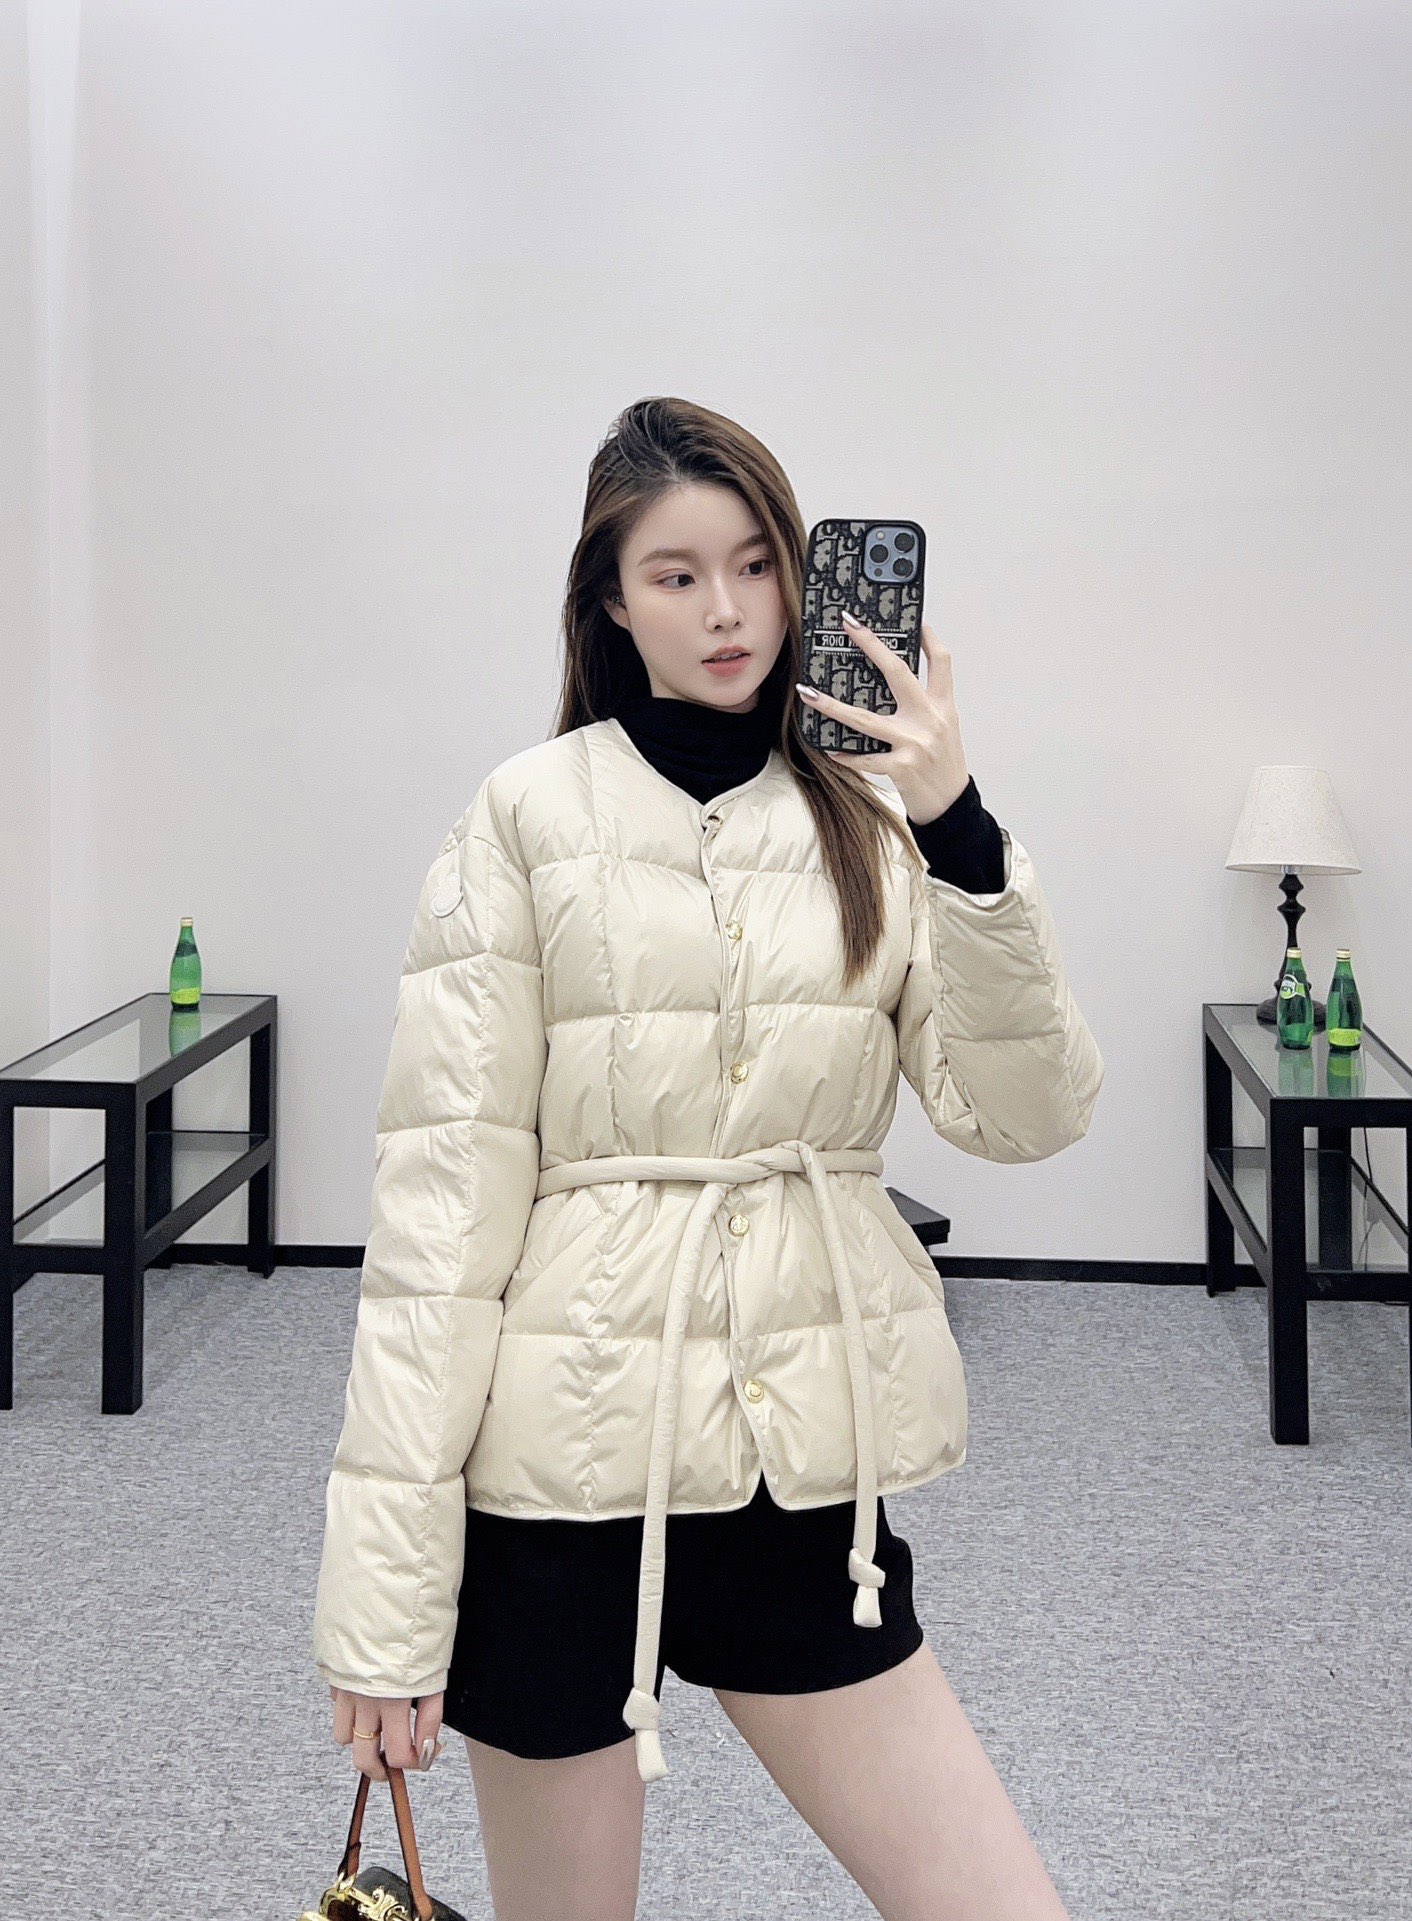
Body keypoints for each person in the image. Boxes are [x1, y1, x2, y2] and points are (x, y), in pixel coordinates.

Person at [313, 396, 1104, 1921]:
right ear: (612, 599)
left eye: (755, 564)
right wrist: (384, 1605)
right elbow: (436, 1233)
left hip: (794, 1462)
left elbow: (1027, 1111)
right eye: (676, 574)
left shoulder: (876, 821)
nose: (728, 609)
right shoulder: (526, 817)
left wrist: (959, 826)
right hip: (558, 1480)